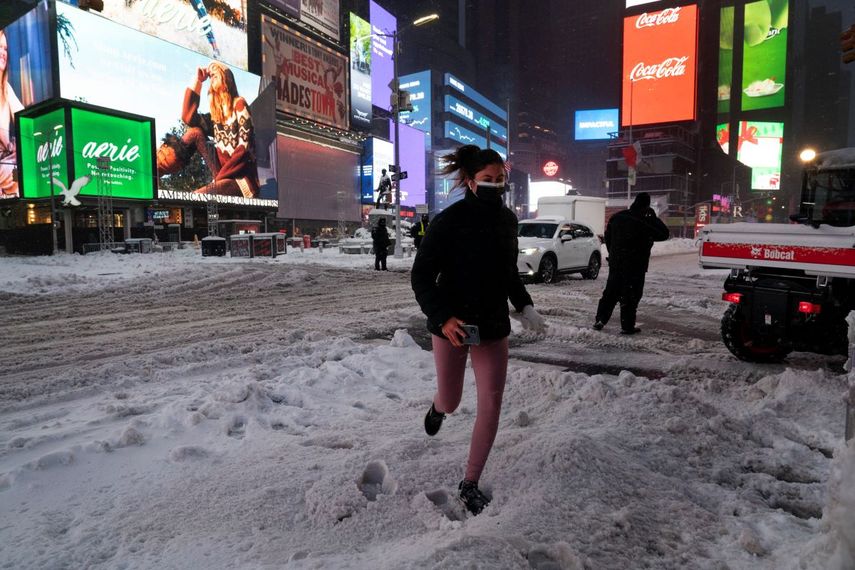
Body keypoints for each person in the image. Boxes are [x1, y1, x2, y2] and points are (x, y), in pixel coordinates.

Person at [411, 144, 546, 516]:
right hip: (453, 326)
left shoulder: (507, 221)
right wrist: (443, 318)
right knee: (452, 400)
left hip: (491, 326)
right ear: (470, 181)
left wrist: (525, 305)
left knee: (491, 403)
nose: (495, 185)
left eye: (500, 180)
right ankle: (439, 408)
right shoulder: (448, 221)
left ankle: (469, 482)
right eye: (487, 180)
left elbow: (507, 274)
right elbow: (421, 276)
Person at [157, 62, 259, 198]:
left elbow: (244, 149)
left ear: (227, 78)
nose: (212, 75)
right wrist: (198, 81)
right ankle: (156, 169)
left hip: (241, 180)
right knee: (195, 132)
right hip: (223, 175)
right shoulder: (216, 118)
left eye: (217, 72)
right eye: (211, 76)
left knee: (197, 196)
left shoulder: (239, 104)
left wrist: (217, 181)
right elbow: (188, 117)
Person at [593, 192, 669, 334]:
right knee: (631, 296)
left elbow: (608, 238)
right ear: (646, 205)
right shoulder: (645, 220)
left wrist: (614, 254)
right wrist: (653, 218)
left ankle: (600, 320)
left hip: (617, 264)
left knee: (610, 293)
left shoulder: (617, 217)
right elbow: (664, 234)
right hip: (636, 266)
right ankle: (627, 326)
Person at [0, 30, 24, 197]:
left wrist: (19, 146)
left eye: (5, 49)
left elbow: (25, 120)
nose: (3, 53)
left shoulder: (6, 89)